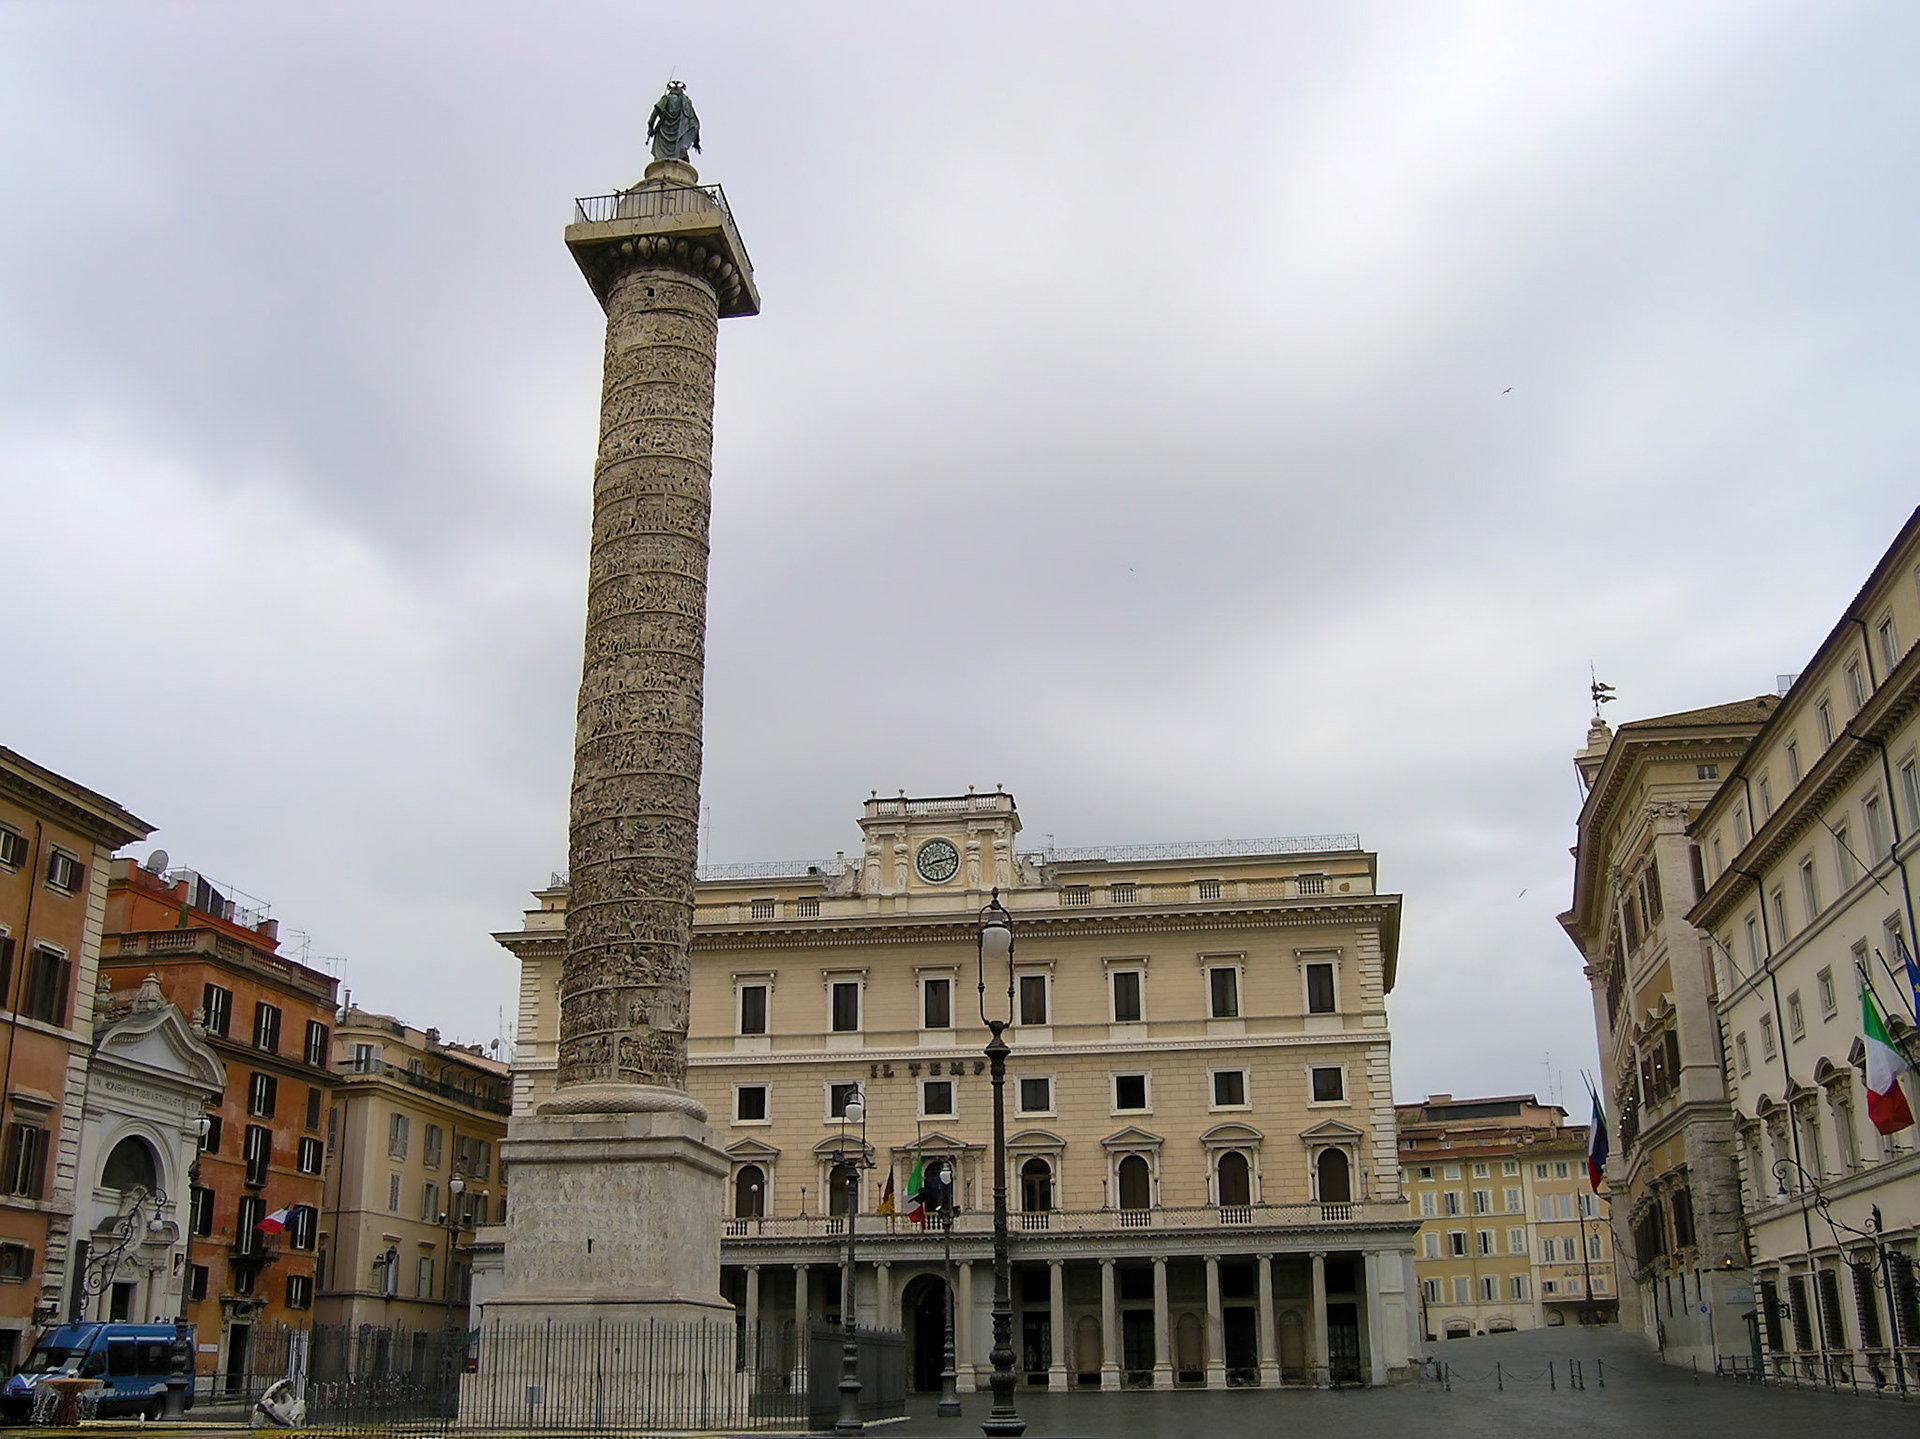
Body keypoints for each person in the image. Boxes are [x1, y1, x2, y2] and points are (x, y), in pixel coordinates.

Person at [648, 81, 701, 163]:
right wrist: (696, 141)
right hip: (679, 137)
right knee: (682, 160)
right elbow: (694, 123)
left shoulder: (665, 99)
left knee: (660, 161)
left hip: (663, 135)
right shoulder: (686, 102)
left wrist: (651, 129)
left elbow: (652, 118)